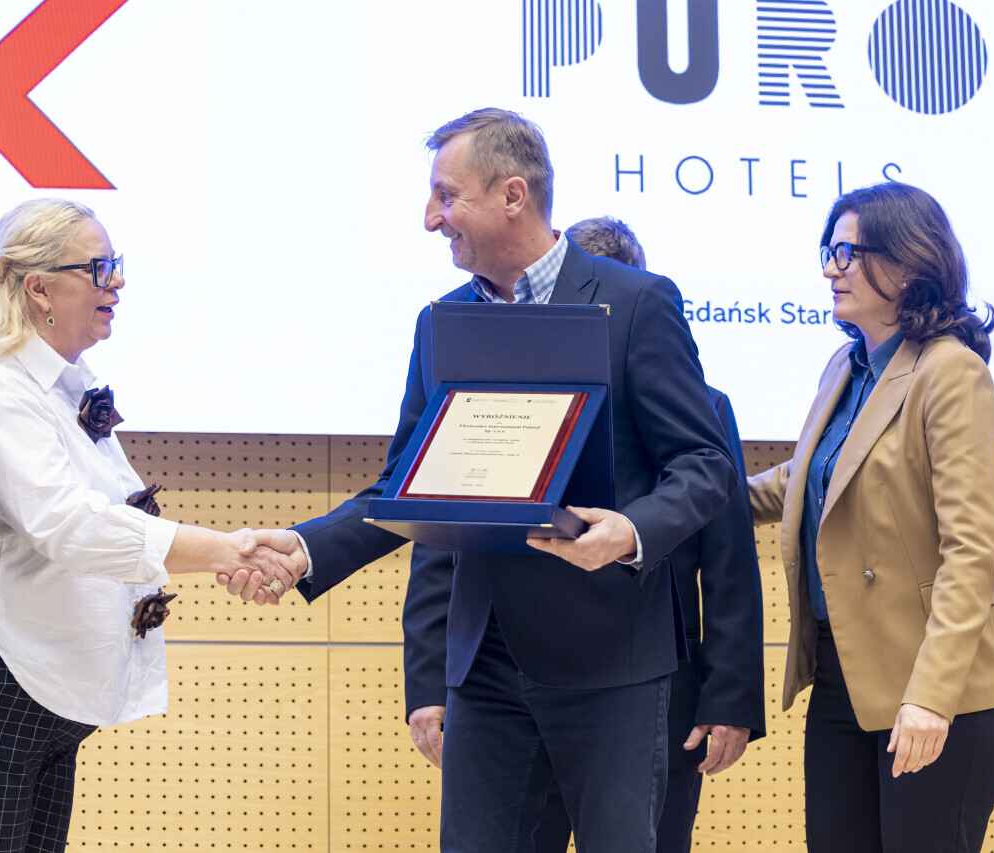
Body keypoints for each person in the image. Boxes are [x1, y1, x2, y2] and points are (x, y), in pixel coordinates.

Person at [234, 109, 737, 852]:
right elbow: (407, 485)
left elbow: (706, 463)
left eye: (446, 195)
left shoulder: (636, 301)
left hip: (611, 663)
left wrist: (632, 531)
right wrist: (306, 547)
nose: (430, 218)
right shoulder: (440, 321)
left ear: (512, 195)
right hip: (486, 668)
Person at [0, 199, 298, 853]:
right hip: (1, 699)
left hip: (48, 706)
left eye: (114, 263)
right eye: (98, 268)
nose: (117, 282)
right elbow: (69, 524)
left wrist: (224, 551)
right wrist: (225, 550)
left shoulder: (62, 387)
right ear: (39, 288)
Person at [400, 215, 765, 853]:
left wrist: (730, 695)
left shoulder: (703, 404)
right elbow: (443, 534)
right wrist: (430, 678)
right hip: (500, 668)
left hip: (650, 669)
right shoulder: (482, 370)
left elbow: (729, 557)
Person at [747, 182, 994, 852]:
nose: (830, 269)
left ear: (909, 264)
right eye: (829, 251)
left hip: (943, 687)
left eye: (848, 253)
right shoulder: (845, 366)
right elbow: (803, 479)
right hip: (845, 673)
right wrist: (679, 502)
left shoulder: (950, 372)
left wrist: (931, 695)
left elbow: (971, 552)